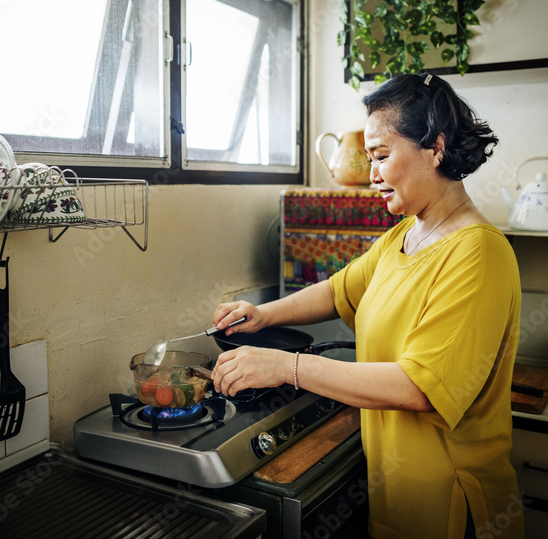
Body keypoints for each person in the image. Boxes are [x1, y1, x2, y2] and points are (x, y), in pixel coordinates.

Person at [211, 72, 523, 539]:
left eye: (381, 156)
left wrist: (286, 366)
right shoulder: (406, 234)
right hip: (401, 492)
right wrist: (265, 314)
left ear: (435, 148)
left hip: (453, 503)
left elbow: (420, 386)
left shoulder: (477, 252)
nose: (372, 173)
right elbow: (339, 291)